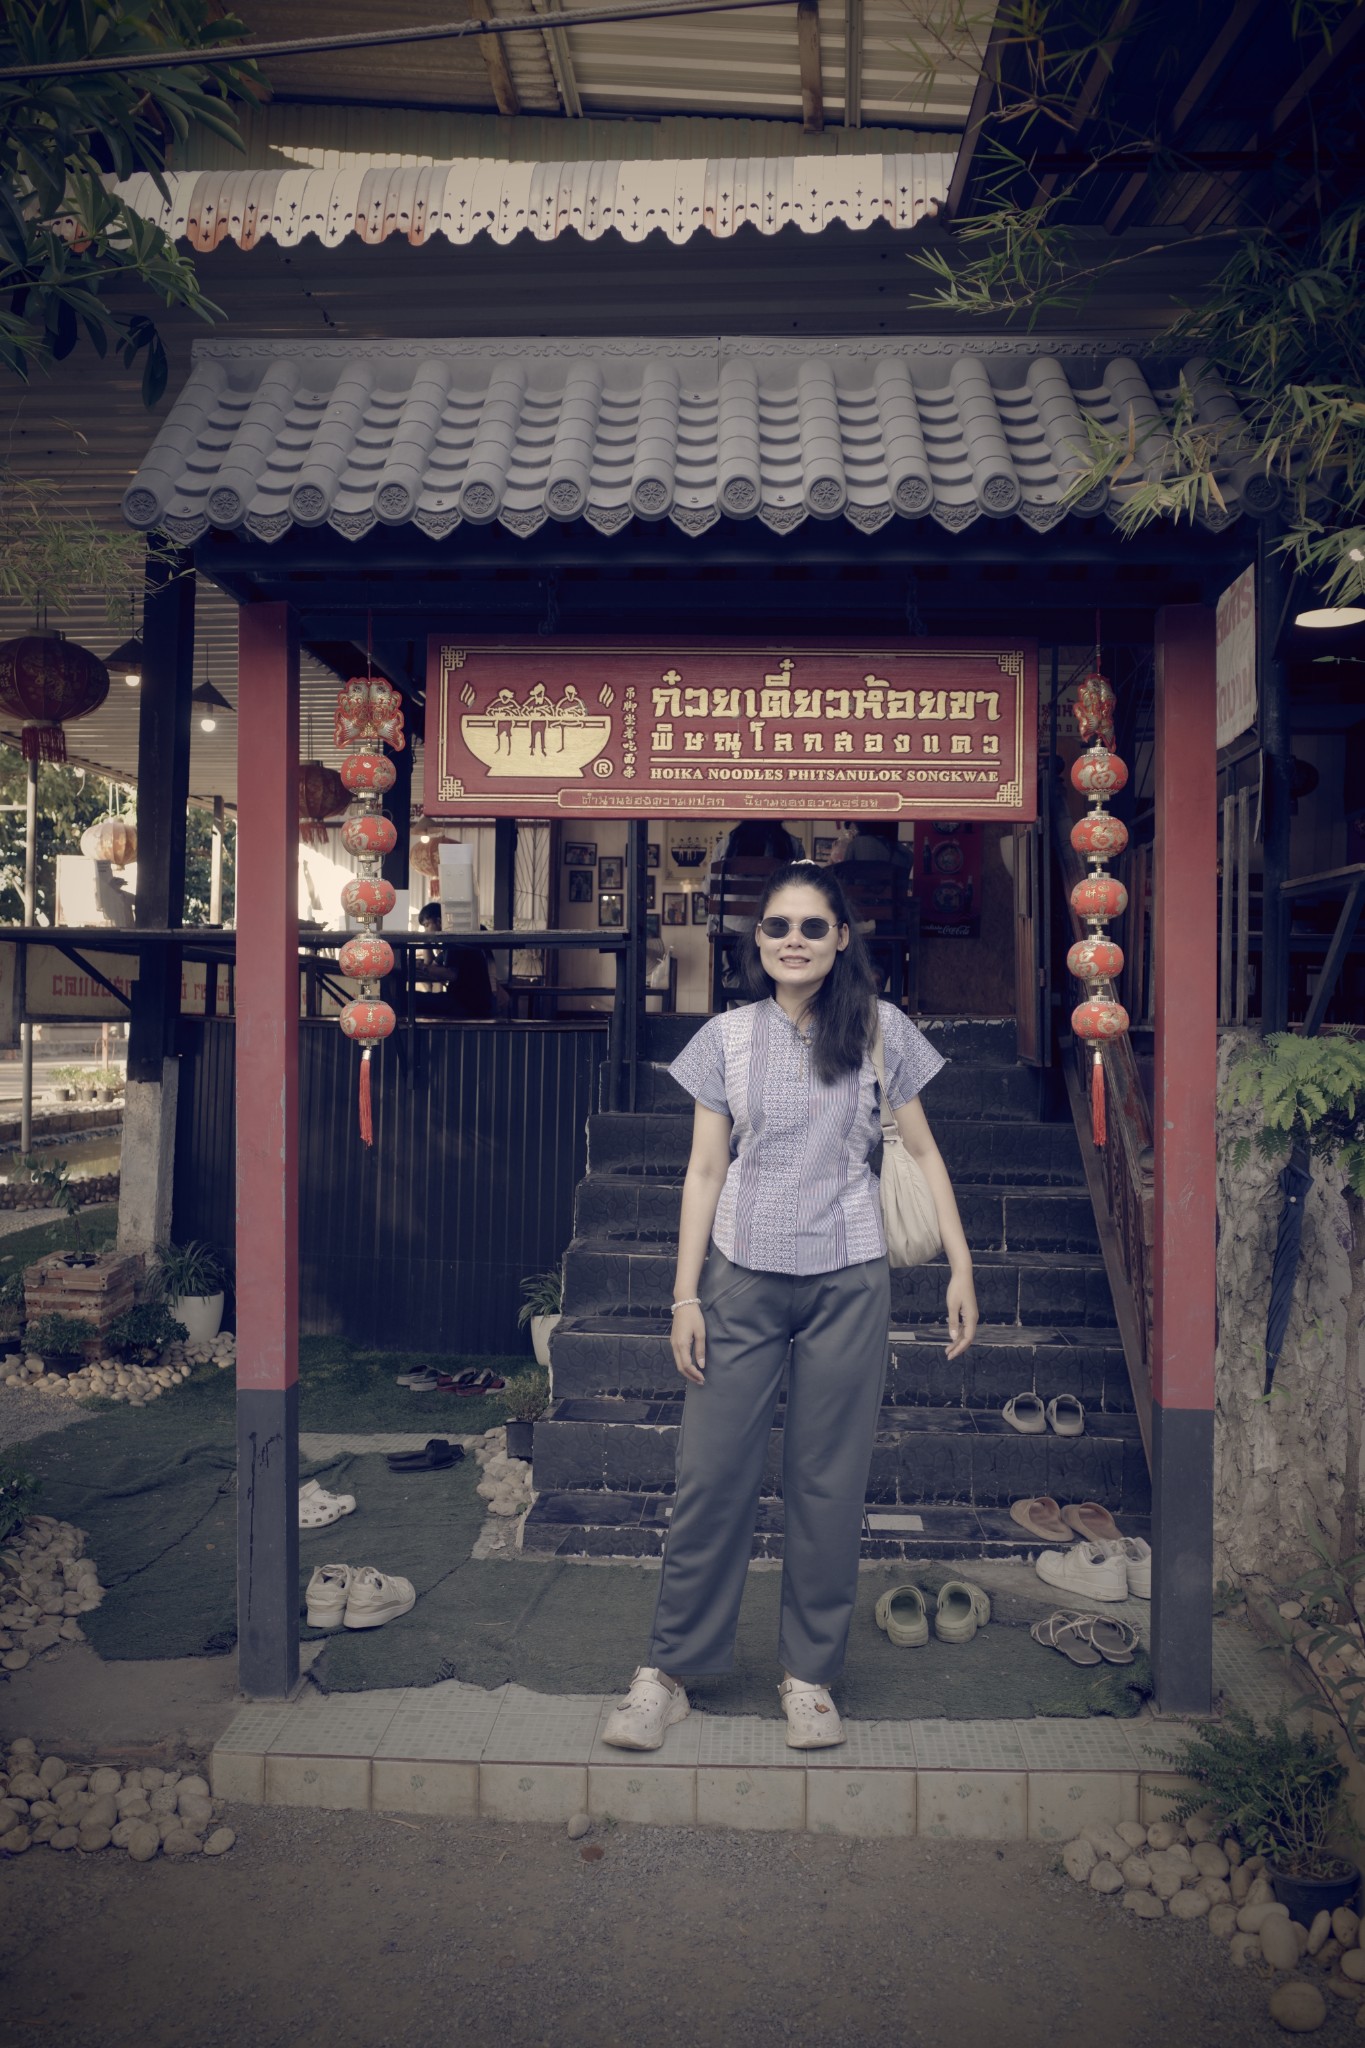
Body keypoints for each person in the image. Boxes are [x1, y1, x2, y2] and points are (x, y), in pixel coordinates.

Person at [602, 859, 978, 1753]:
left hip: (850, 1278)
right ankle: (668, 1674)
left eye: (813, 926)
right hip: (738, 1278)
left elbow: (923, 1153)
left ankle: (808, 1679)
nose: (794, 941)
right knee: (710, 1476)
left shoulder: (880, 1028)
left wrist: (961, 1267)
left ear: (841, 938)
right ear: (757, 939)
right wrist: (684, 1294)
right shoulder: (724, 1038)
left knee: (827, 1483)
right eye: (777, 926)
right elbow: (703, 1172)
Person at [414, 901, 500, 1020]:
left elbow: (451, 974)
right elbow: (431, 964)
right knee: (414, 998)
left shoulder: (454, 939)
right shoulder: (449, 943)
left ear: (439, 921)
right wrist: (426, 940)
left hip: (466, 1004)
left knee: (410, 999)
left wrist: (422, 967)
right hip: (472, 1002)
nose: (425, 930)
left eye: (427, 925)